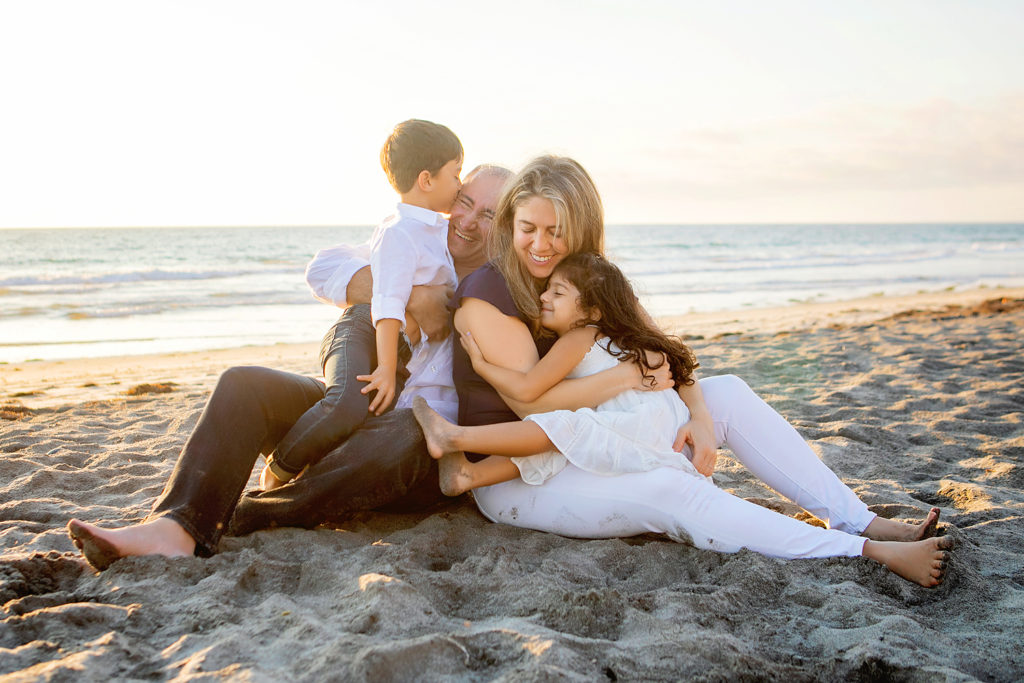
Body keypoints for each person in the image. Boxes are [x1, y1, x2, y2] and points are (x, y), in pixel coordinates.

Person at [65, 165, 660, 570]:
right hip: (358, 407)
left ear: (507, 224)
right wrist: (400, 295)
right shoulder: (409, 246)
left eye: (489, 213)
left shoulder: (513, 291)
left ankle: (239, 520)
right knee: (244, 384)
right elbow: (323, 268)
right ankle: (177, 523)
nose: (469, 220)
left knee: (409, 430)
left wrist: (677, 395)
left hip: (419, 450)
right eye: (464, 202)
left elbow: (619, 340)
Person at [445, 154, 952, 588]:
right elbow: (531, 406)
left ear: (580, 228)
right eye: (528, 229)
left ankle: (859, 521)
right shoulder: (490, 296)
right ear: (511, 223)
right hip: (526, 475)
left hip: (606, 435)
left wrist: (701, 416)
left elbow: (661, 347)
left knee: (726, 390)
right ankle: (859, 553)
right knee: (672, 493)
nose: (540, 245)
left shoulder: (587, 278)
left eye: (556, 232)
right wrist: (627, 379)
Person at [259, 119, 463, 490]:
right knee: (343, 407)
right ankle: (280, 467)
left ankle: (309, 464)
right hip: (387, 343)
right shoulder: (399, 232)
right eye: (456, 173)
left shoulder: (432, 227)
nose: (460, 185)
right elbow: (387, 305)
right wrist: (385, 366)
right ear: (426, 179)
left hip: (409, 352)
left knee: (367, 423)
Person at [413, 251, 706, 494]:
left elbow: (528, 389)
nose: (544, 297)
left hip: (641, 423)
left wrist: (481, 366)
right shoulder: (607, 337)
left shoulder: (578, 338)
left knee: (558, 428)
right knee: (561, 439)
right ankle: (469, 475)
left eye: (558, 292)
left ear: (592, 311)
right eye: (547, 288)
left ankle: (455, 438)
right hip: (659, 421)